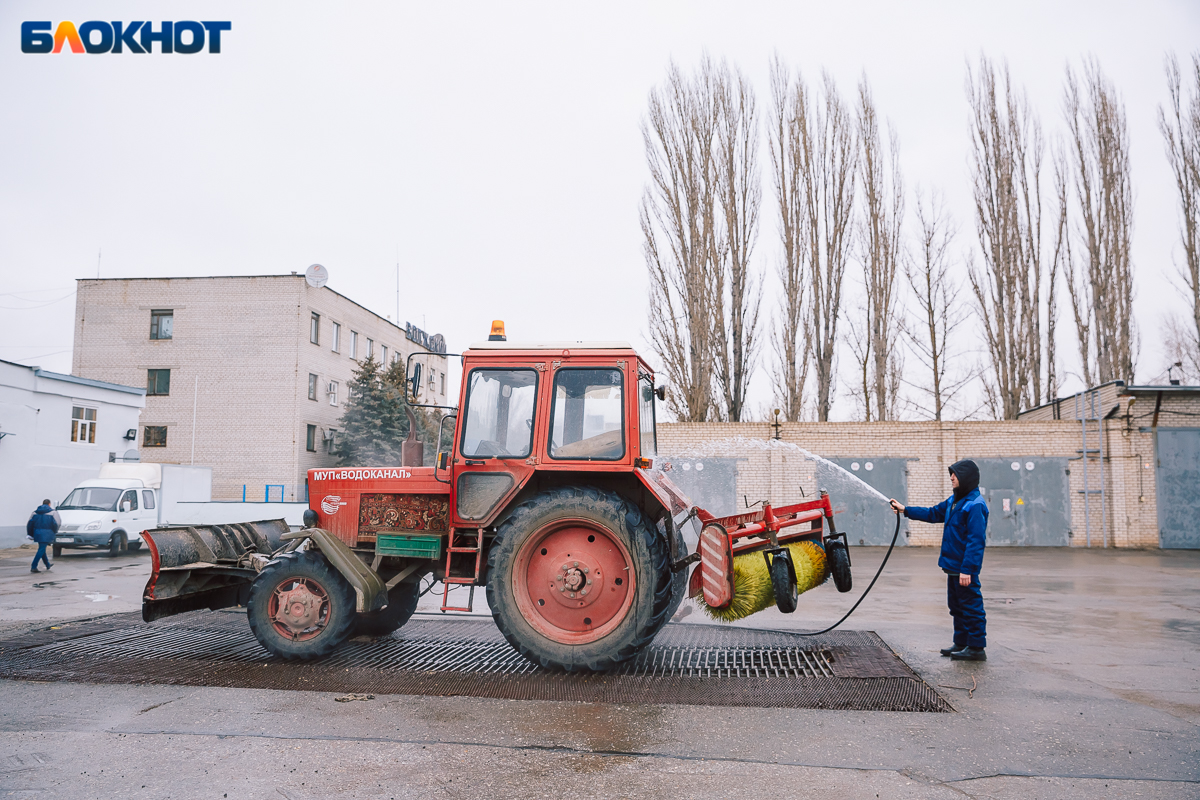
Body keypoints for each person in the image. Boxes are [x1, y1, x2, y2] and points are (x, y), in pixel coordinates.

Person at [889, 460, 988, 662]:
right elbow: (933, 513)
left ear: (966, 477)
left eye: (955, 474)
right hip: (952, 566)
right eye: (951, 474)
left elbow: (975, 541)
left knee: (971, 606)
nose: (951, 477)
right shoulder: (955, 501)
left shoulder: (975, 505)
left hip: (964, 568)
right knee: (956, 606)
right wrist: (905, 509)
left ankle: (977, 648)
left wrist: (968, 569)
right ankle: (961, 643)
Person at [26, 499, 58, 574]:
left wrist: (30, 534)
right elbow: (56, 524)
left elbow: (30, 524)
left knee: (42, 549)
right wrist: (54, 532)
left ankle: (47, 564)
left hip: (37, 533)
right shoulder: (52, 512)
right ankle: (33, 566)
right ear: (49, 504)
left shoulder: (34, 513)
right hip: (47, 533)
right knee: (41, 549)